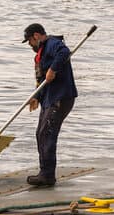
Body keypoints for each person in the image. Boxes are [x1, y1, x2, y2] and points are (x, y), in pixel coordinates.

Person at [21, 23, 77, 187]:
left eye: (30, 41)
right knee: (40, 133)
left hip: (60, 98)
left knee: (47, 134)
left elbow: (64, 52)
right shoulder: (40, 54)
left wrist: (53, 69)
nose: (30, 45)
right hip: (49, 98)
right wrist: (36, 96)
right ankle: (44, 172)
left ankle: (47, 176)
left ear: (36, 36)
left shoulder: (52, 44)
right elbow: (41, 79)